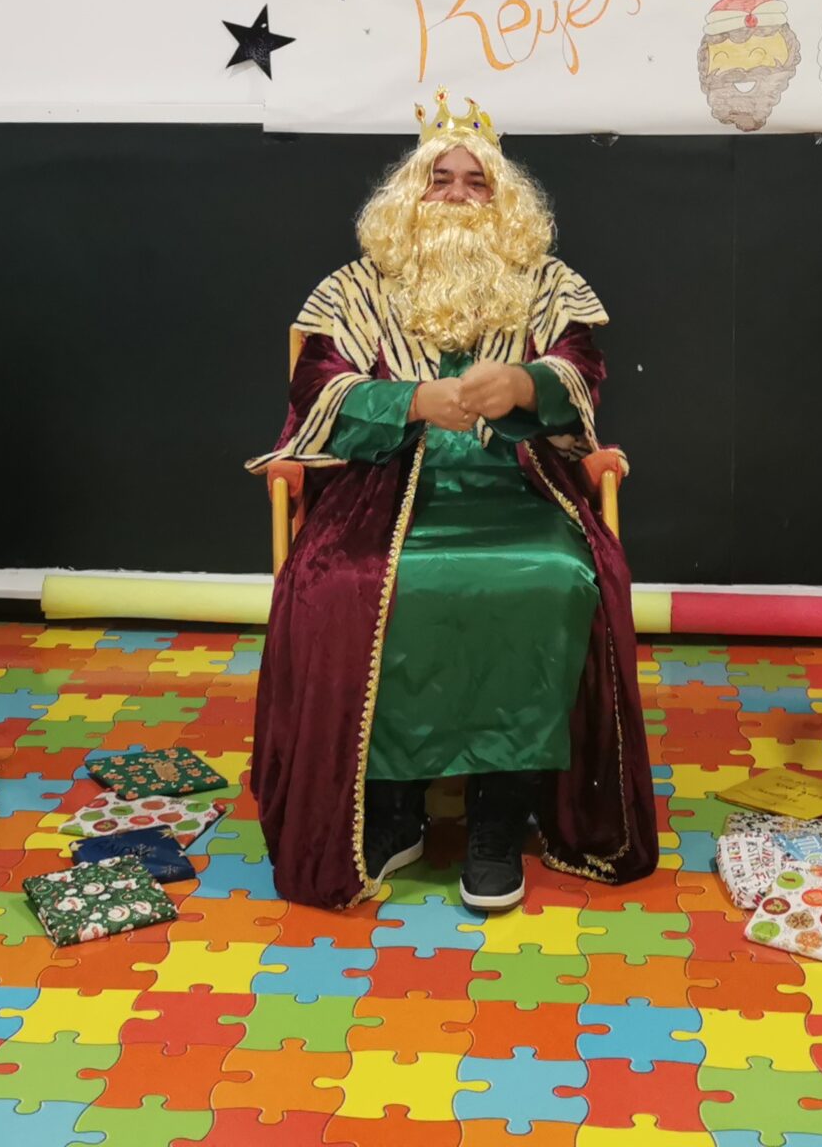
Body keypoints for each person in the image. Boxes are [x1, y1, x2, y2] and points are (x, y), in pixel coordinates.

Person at [249, 94, 657, 913]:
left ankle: (498, 811)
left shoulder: (546, 284)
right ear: (412, 192)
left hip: (519, 484)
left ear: (504, 200)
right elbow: (316, 389)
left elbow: (579, 371)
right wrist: (408, 403)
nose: (459, 195)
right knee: (347, 585)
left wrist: (524, 385)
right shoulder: (354, 289)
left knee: (554, 579)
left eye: (477, 182)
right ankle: (392, 804)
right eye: (442, 179)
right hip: (380, 489)